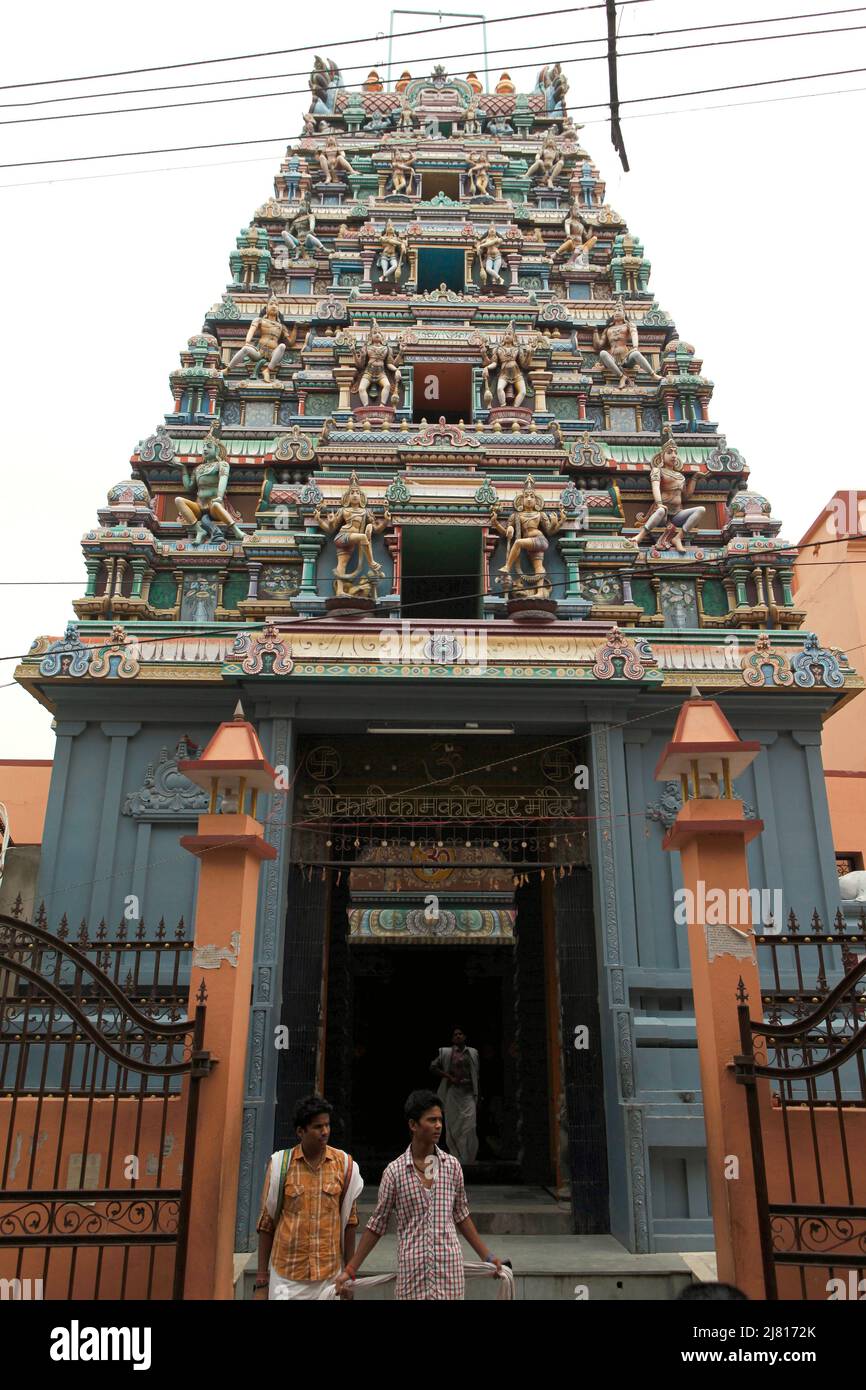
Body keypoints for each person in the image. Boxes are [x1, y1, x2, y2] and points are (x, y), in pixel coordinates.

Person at [334, 1090, 502, 1301]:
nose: (438, 1125)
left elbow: (461, 1215)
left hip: (449, 1274)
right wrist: (350, 1270)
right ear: (413, 1125)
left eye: (440, 1120)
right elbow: (377, 1225)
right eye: (431, 1120)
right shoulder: (394, 1172)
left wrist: (488, 1256)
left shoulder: (452, 1167)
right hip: (412, 1276)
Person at [254, 1093, 363, 1300]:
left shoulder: (344, 1165)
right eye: (317, 1127)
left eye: (327, 1125)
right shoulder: (280, 1165)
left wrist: (349, 1275)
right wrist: (261, 1280)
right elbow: (266, 1223)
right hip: (286, 1277)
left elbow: (350, 1222)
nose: (325, 1132)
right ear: (300, 1131)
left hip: (328, 1277)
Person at [431, 1027, 480, 1164]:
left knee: (470, 1126)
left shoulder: (473, 1052)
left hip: (468, 1093)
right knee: (454, 1126)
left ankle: (468, 1158)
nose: (458, 1036)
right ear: (452, 1039)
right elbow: (433, 1067)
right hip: (453, 1093)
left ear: (464, 1037)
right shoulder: (447, 1052)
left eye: (460, 1034)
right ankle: (457, 1157)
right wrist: (449, 1077)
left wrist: (478, 1095)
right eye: (455, 1034)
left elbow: (477, 1075)